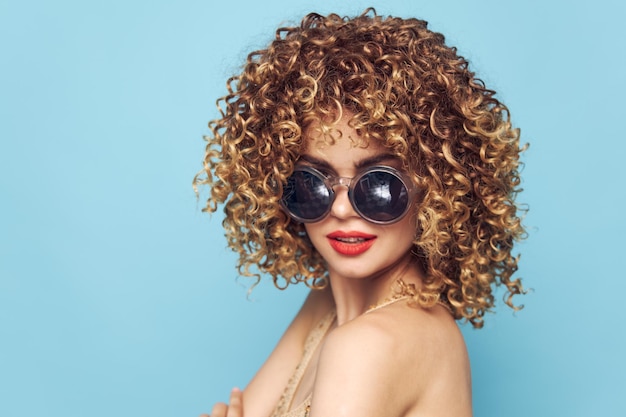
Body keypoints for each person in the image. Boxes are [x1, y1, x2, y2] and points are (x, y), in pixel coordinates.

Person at [195, 8, 526, 417]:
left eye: (379, 184)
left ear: (438, 189)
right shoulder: (331, 305)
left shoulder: (367, 345)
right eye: (313, 182)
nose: (339, 208)